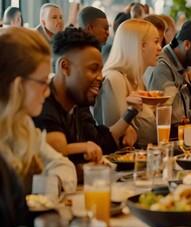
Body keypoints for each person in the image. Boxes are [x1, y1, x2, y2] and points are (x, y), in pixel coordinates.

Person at [33, 27, 142, 180]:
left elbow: (100, 142)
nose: (100, 77)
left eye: (101, 70)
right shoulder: (43, 104)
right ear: (65, 67)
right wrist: (84, 161)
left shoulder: (78, 102)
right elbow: (57, 152)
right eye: (93, 69)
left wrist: (130, 113)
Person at [0, 27, 76, 195]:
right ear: (18, 86)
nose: (47, 91)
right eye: (43, 82)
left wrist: (49, 186)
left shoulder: (23, 124)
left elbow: (61, 164)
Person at [94, 19, 162, 147]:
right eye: (156, 42)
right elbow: (117, 139)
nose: (160, 48)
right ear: (141, 45)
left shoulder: (137, 80)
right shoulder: (115, 79)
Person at [148, 19, 191, 137]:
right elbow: (166, 117)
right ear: (187, 44)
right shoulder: (162, 68)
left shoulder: (183, 64)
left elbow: (183, 109)